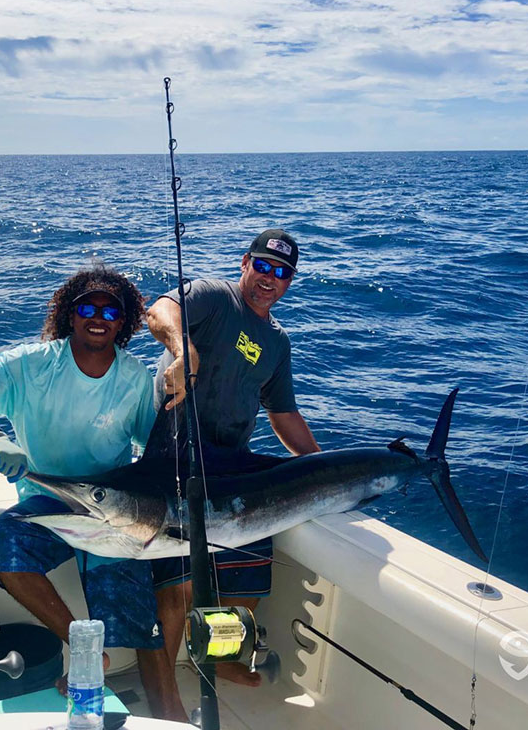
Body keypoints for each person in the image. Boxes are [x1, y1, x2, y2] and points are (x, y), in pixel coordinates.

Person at [0, 266, 170, 712]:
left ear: (124, 322)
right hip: (48, 501)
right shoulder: (34, 364)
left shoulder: (133, 379)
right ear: (70, 315)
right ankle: (82, 644)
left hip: (113, 509)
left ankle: (169, 709)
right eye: (87, 307)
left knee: (139, 621)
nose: (99, 317)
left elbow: (154, 455)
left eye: (112, 311)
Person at [147, 228, 321, 716]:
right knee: (178, 586)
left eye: (281, 273)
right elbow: (160, 311)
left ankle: (218, 658)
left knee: (247, 581)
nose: (270, 279)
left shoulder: (277, 342)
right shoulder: (213, 296)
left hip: (230, 469)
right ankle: (165, 703)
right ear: (244, 262)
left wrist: (322, 465)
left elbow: (284, 416)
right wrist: (183, 352)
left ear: (289, 282)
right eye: (262, 266)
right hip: (173, 459)